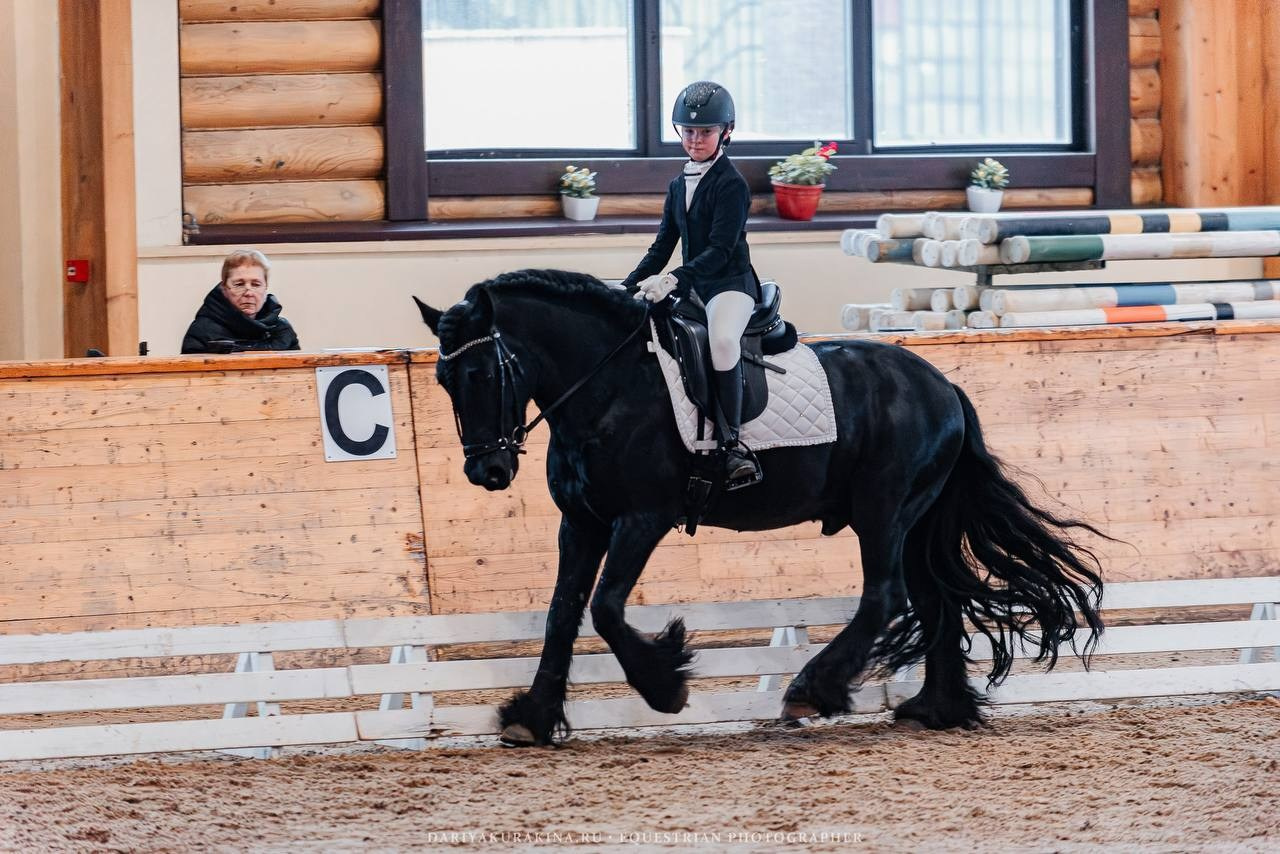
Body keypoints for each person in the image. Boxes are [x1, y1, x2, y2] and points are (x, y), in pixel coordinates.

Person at [620, 80, 761, 483]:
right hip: (692, 285)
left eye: (705, 132)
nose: (696, 140)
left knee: (721, 341)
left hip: (728, 285)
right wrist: (626, 287)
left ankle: (733, 445)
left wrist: (675, 279)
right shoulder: (678, 183)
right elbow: (662, 245)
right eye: (689, 131)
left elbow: (719, 249)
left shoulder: (732, 184)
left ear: (725, 132)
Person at [181, 249, 300, 354]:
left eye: (256, 284)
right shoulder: (203, 331)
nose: (248, 293)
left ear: (265, 288)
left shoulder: (281, 330)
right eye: (239, 284)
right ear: (224, 289)